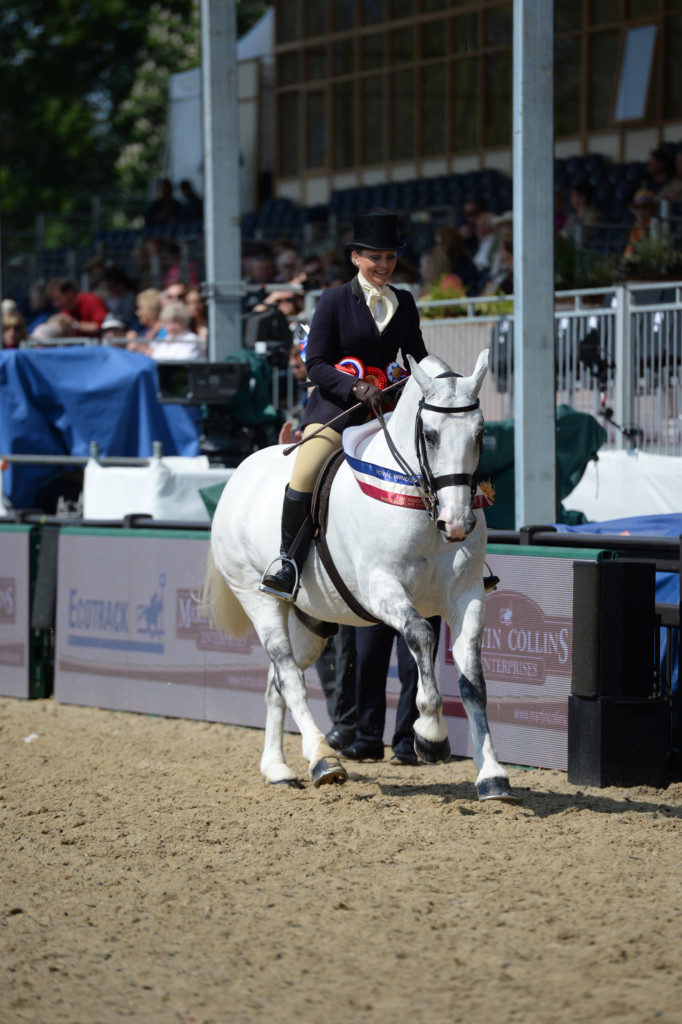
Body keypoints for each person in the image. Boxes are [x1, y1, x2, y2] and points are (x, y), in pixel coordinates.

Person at [260, 211, 428, 600]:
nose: (384, 265)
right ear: (356, 258)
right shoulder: (334, 300)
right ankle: (287, 561)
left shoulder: (404, 301)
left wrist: (438, 380)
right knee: (305, 472)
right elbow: (315, 363)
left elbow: (417, 356)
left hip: (389, 410)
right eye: (375, 258)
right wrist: (356, 387)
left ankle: (458, 555)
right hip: (337, 408)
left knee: (439, 459)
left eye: (390, 257)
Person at [340, 617, 442, 764]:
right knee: (366, 657)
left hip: (420, 603)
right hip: (376, 599)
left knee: (414, 669)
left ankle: (407, 744)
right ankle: (368, 740)